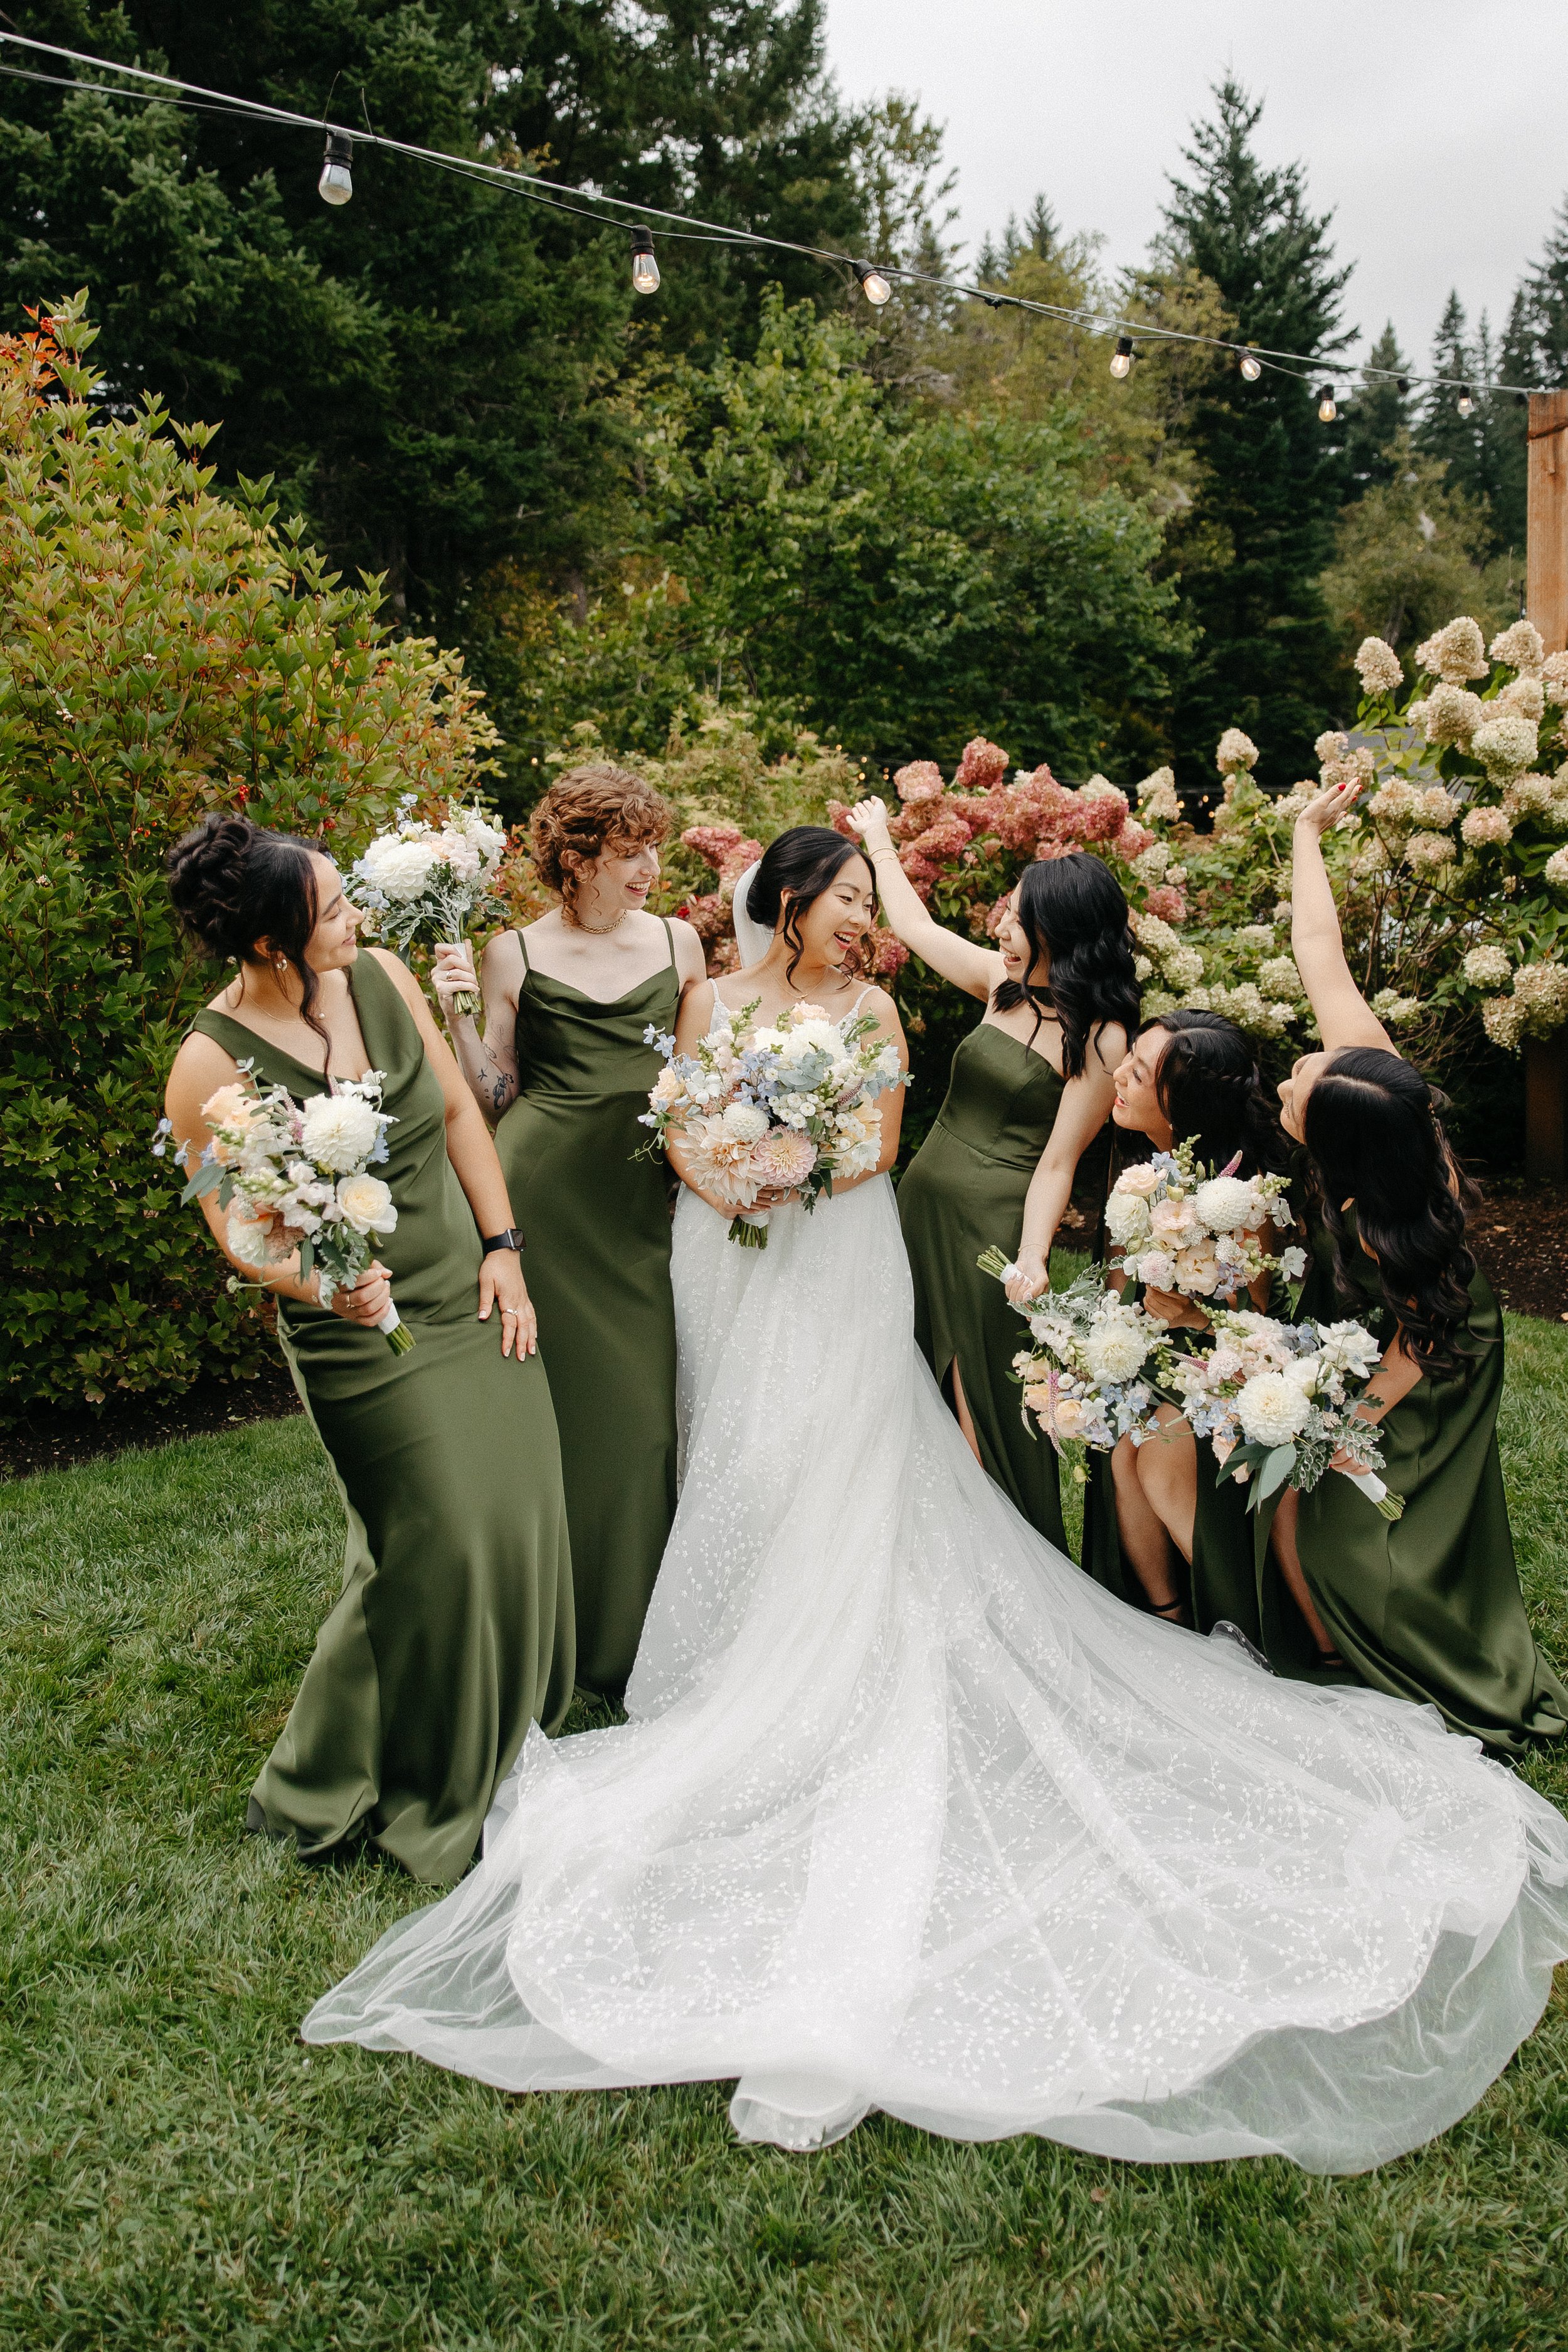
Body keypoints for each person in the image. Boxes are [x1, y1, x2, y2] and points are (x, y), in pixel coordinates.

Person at [302, 820, 1568, 2175]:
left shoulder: (945, 1020)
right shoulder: (744, 991)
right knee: (737, 1431)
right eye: (841, 898)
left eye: (866, 899)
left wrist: (814, 1172)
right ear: (785, 906)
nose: (863, 920)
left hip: (851, 1237)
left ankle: (1114, 1607)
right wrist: (730, 1158)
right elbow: (682, 1106)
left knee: (860, 1430)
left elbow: (897, 1136)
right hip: (731, 1246)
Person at [164, 815, 573, 1883]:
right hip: (357, 1332)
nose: (355, 920)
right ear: (267, 945)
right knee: (432, 1534)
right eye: (330, 912)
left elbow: (457, 1117)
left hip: (466, 1282)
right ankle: (330, 1776)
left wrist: (504, 1248)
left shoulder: (384, 976)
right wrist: (321, 1285)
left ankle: (507, 1723)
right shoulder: (208, 1060)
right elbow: (238, 1228)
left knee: (516, 1503)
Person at [1248, 778, 1568, 1751]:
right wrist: (1305, 831)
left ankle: (1385, 1627)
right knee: (1287, 1503)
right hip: (1384, 1329)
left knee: (1337, 1526)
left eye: (1299, 1082)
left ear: (1338, 1139)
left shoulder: (1392, 1227)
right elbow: (1319, 953)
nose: (1293, 1074)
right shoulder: (1380, 1085)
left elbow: (1407, 1361)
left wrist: (1322, 1435)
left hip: (1435, 1340)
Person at [435, 767, 706, 1695]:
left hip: (639, 1202)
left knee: (642, 1422)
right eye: (630, 853)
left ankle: (637, 1633)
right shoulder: (512, 949)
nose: (650, 868)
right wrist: (455, 1014)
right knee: (559, 1419)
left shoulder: (680, 940)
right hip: (544, 1193)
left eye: (652, 848)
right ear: (578, 857)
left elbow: (699, 1080)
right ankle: (559, 1632)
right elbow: (492, 1093)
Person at [845, 798, 1138, 1548]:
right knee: (904, 1381)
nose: (999, 932)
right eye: (1004, 918)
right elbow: (913, 927)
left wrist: (1035, 1254)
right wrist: (879, 840)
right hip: (918, 1207)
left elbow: (1058, 1161)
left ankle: (1003, 1559)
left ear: (1061, 934)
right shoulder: (999, 988)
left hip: (993, 1225)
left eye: (1017, 922)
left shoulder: (1100, 1036)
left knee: (977, 1393)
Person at [1082, 1010, 1291, 1641]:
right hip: (1158, 1354)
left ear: (1180, 1103)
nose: (1118, 1075)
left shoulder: (1242, 1196)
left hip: (1229, 1365)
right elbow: (1119, 1289)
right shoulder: (1149, 1173)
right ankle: (1167, 1621)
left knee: (1158, 1459)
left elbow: (1258, 1318)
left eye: (1139, 1072)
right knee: (1123, 1453)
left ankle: (1250, 1624)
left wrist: (1197, 1313)